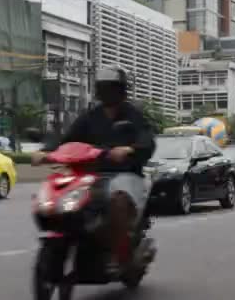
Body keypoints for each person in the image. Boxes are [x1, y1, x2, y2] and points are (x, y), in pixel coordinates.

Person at [31, 64, 156, 274]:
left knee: (118, 201)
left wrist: (130, 149)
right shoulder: (90, 117)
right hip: (90, 174)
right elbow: (66, 139)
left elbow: (147, 140)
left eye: (112, 87)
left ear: (121, 90)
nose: (107, 92)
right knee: (59, 199)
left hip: (125, 174)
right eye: (103, 87)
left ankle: (121, 255)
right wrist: (45, 151)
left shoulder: (133, 115)